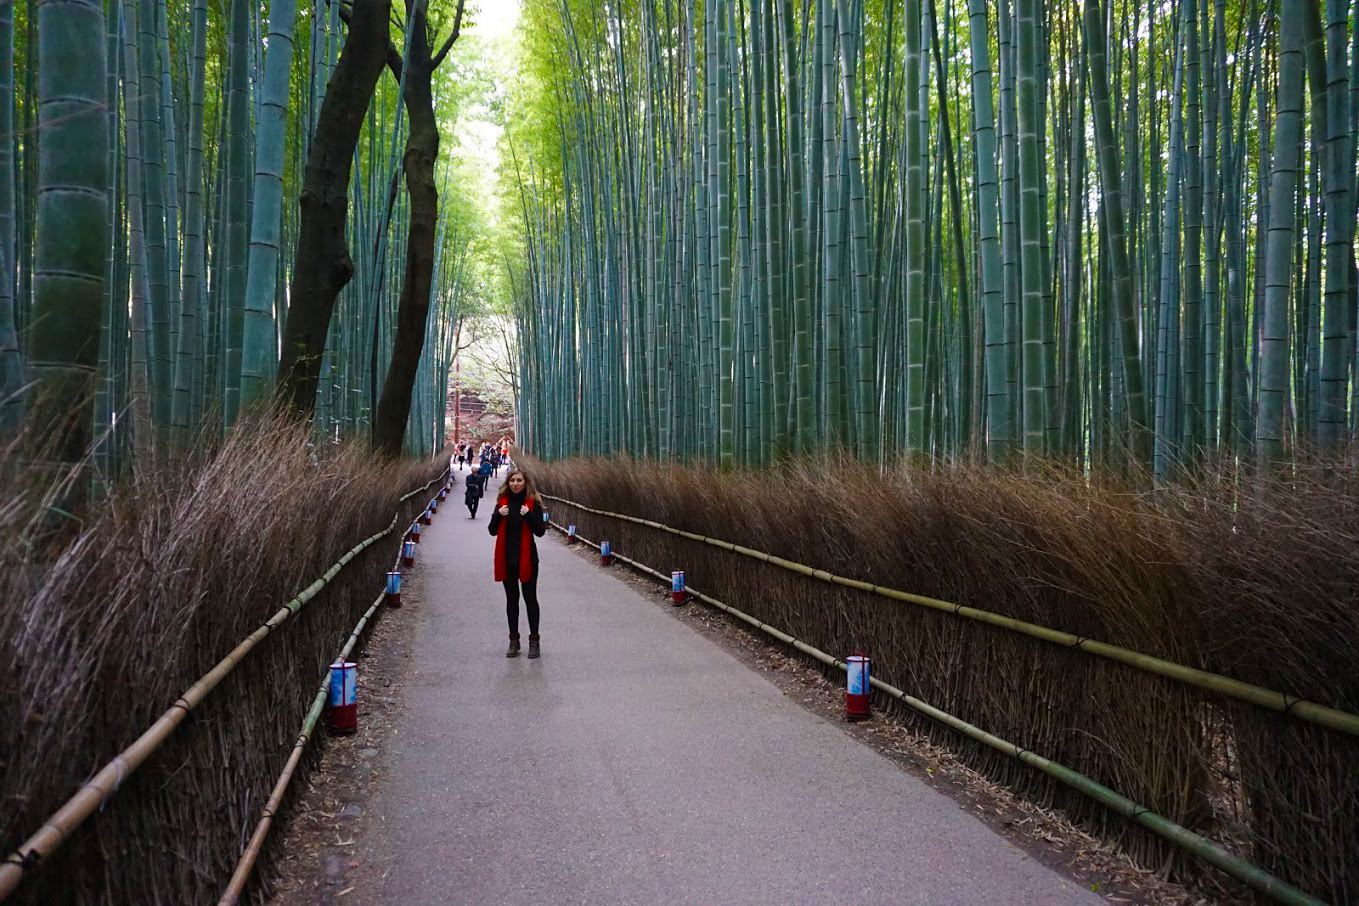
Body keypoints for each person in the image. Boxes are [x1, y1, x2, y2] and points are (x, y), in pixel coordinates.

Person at [488, 469, 547, 658]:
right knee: (512, 601)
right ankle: (514, 641)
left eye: (519, 480)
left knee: (530, 600)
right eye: (512, 480)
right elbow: (492, 530)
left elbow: (540, 531)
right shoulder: (502, 503)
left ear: (525, 482)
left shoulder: (532, 503)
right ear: (508, 482)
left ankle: (534, 641)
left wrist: (529, 514)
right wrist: (499, 514)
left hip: (528, 559)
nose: (515, 484)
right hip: (507, 559)